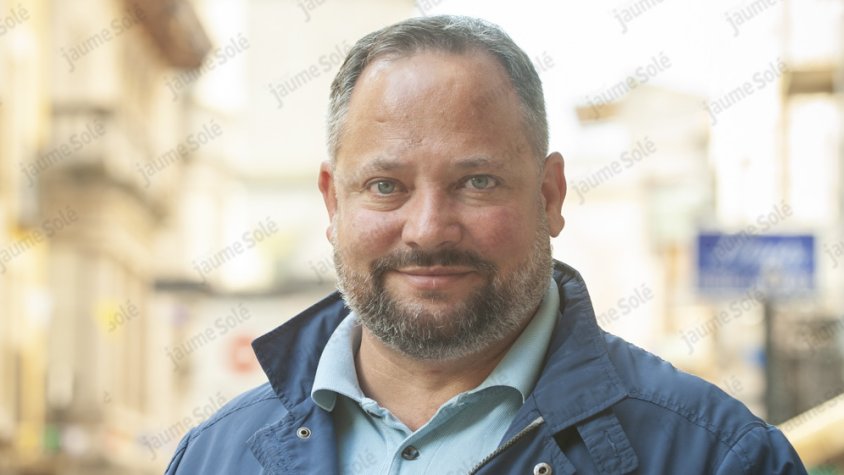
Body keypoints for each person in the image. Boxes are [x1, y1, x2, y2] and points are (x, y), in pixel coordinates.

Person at [166, 15, 807, 474]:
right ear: (333, 203)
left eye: (477, 182)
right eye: (386, 186)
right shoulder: (214, 457)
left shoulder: (719, 457)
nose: (428, 228)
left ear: (550, 196)